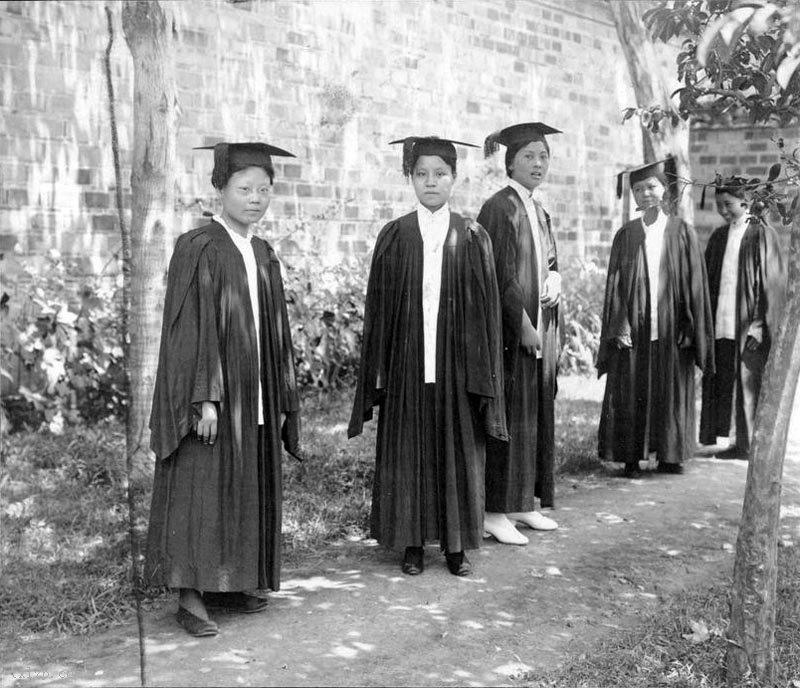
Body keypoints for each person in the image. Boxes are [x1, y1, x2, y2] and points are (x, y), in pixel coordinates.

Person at [145, 141, 303, 637]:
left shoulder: (261, 252)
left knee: (241, 482)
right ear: (220, 189)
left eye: (264, 190)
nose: (255, 198)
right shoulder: (199, 247)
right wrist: (204, 397)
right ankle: (190, 595)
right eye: (244, 188)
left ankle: (232, 581)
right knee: (202, 485)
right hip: (214, 394)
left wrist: (281, 395)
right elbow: (189, 329)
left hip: (254, 391)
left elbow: (277, 331)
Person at [348, 136, 507, 577]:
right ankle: (413, 543)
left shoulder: (473, 235)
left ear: (454, 177)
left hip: (457, 364)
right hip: (408, 362)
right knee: (411, 450)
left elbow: (489, 312)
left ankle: (456, 546)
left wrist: (483, 372)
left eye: (440, 174)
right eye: (422, 174)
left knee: (456, 448)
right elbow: (377, 310)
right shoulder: (395, 235)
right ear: (409, 178)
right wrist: (380, 372)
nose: (431, 182)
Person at [597, 157, 714, 476]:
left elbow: (694, 283)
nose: (645, 193)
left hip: (672, 323)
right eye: (638, 188)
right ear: (632, 195)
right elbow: (616, 284)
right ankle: (631, 456)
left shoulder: (681, 231)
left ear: (664, 189)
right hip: (634, 323)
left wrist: (691, 324)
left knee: (670, 385)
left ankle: (669, 454)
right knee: (632, 385)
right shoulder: (627, 234)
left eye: (651, 186)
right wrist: (618, 323)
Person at [477, 121, 562, 546]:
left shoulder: (538, 208)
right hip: (512, 335)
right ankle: (494, 510)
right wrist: (524, 324)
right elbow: (499, 274)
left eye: (544, 156)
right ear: (509, 162)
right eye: (528, 156)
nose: (538, 163)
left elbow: (548, 261)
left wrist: (557, 278)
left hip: (539, 330)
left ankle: (523, 501)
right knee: (508, 415)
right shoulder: (501, 206)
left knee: (532, 415)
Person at [699, 175, 786, 458]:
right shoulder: (719, 236)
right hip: (723, 317)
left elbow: (771, 284)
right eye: (719, 205)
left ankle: (749, 444)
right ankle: (732, 440)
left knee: (749, 379)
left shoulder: (762, 233)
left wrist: (759, 325)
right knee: (725, 377)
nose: (723, 210)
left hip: (749, 323)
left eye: (728, 204)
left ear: (745, 201)